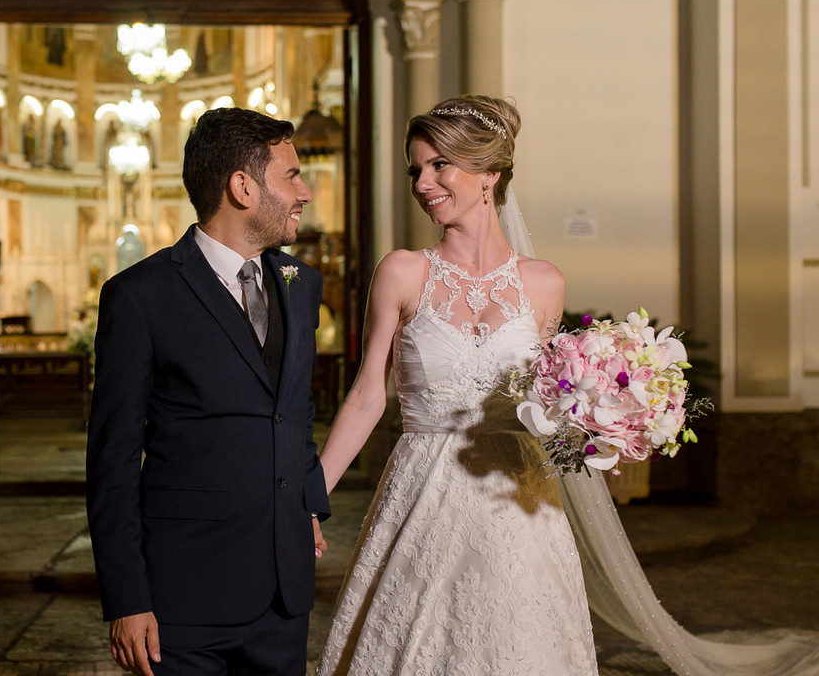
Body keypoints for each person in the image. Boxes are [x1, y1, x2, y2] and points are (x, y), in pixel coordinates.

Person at [317, 96, 819, 676]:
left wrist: (606, 415)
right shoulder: (403, 270)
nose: (423, 182)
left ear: (489, 175)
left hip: (519, 495)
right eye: (416, 169)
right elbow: (366, 396)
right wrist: (312, 497)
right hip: (422, 490)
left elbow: (546, 403)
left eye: (439, 165)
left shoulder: (544, 284)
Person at [87, 106, 330, 676]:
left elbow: (294, 413)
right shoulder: (140, 296)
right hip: (184, 598)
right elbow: (113, 461)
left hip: (282, 598)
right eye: (291, 176)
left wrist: (307, 504)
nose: (307, 192)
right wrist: (127, 599)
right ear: (242, 187)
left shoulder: (301, 284)